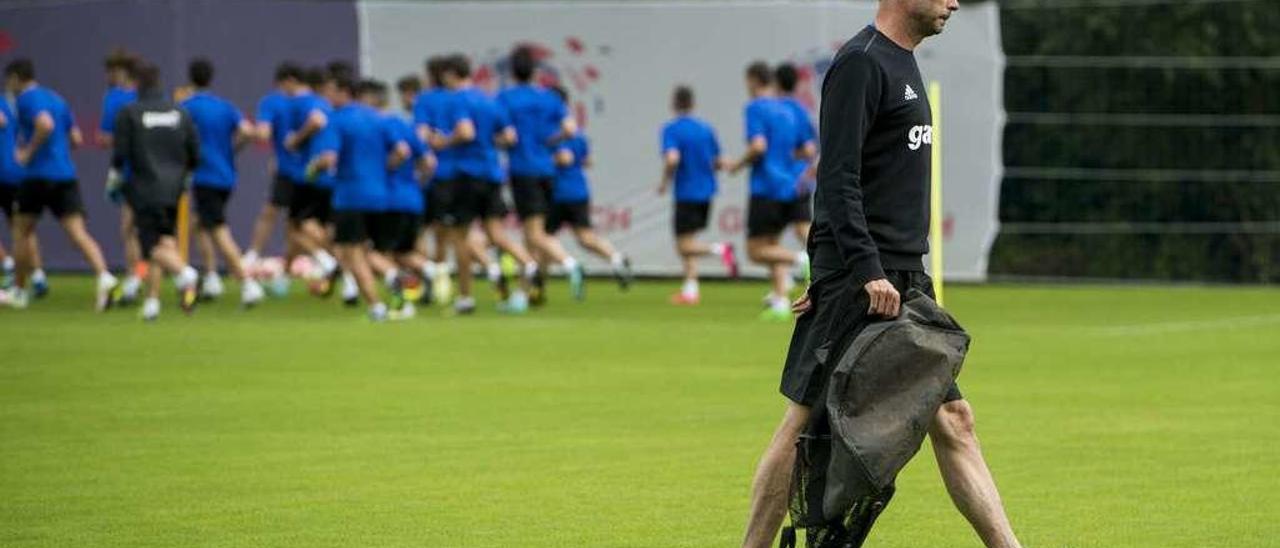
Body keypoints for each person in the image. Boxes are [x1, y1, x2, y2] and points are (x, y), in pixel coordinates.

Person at [741, 2, 1022, 547]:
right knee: (801, 426)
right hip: (864, 283)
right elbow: (837, 178)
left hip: (904, 280)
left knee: (955, 420)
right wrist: (851, 273)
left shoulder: (904, 63)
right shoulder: (861, 64)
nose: (954, 2)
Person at [4, 58, 118, 311]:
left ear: (15, 78)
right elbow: (76, 138)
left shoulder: (26, 99)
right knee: (78, 233)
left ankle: (19, 292)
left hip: (36, 176)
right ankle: (104, 276)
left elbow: (45, 124)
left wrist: (28, 153)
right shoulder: (58, 99)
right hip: (64, 175)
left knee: (21, 231)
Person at [429, 54, 537, 314]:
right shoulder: (490, 100)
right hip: (491, 173)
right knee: (496, 234)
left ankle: (465, 298)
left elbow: (466, 131)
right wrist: (487, 145)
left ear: (450, 75)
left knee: (460, 237)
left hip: (465, 174)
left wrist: (444, 141)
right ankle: (529, 263)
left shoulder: (458, 100)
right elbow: (510, 137)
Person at [309, 75, 409, 322]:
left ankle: (376, 307)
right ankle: (393, 274)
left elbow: (329, 158)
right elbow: (402, 151)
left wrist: (313, 168)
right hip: (380, 195)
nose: (326, 97)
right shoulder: (378, 118)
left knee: (353, 253)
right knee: (368, 250)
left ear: (344, 92)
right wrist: (383, 169)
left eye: (330, 91)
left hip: (350, 195)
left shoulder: (337, 120)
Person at [107, 63, 202, 321]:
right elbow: (194, 151)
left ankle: (186, 274)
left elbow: (120, 153)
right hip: (173, 190)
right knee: (165, 242)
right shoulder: (179, 112)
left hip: (145, 189)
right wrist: (183, 176)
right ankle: (152, 302)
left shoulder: (130, 113)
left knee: (149, 248)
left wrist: (114, 180)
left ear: (137, 84)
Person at [496, 45, 585, 302]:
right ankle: (528, 291)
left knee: (534, 233)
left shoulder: (506, 98)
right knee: (532, 233)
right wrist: (550, 141)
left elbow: (508, 136)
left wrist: (502, 143)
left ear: (512, 71)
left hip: (524, 170)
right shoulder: (550, 98)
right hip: (547, 170)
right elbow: (570, 129)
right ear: (535, 72)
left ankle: (569, 264)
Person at [728, 61, 809, 322]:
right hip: (789, 184)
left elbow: (759, 146)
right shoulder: (786, 111)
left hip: (766, 186)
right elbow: (805, 150)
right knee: (772, 243)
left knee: (755, 250)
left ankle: (801, 259)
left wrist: (737, 165)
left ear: (753, 80)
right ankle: (781, 301)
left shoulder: (755, 108)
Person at [180, 58, 265, 306]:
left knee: (217, 230)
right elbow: (249, 132)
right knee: (200, 224)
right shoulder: (225, 107)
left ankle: (247, 284)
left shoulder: (187, 107)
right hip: (225, 174)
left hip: (205, 175)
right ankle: (211, 276)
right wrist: (231, 150)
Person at [359, 79, 436, 312]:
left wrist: (385, 169)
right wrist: (416, 183)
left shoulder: (378, 125)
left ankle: (402, 292)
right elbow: (430, 162)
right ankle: (431, 271)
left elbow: (400, 152)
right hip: (412, 197)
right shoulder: (406, 125)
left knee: (369, 254)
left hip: (388, 200)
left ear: (369, 99)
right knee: (402, 252)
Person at [658, 85, 738, 305]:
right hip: (707, 191)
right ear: (692, 103)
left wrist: (664, 181)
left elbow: (672, 158)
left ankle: (721, 250)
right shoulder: (705, 129)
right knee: (689, 241)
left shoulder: (672, 129)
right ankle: (691, 290)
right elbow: (717, 160)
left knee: (682, 246)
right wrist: (733, 165)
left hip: (687, 192)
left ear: (674, 103)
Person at [544, 96, 632, 291]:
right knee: (585, 238)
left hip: (559, 192)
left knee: (542, 237)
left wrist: (543, 161)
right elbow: (588, 161)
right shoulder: (580, 135)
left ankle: (551, 277)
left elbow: (564, 159)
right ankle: (617, 259)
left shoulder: (555, 134)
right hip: (579, 190)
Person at [284, 66, 342, 295]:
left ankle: (325, 261)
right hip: (331, 176)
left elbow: (315, 122)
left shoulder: (311, 103)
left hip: (312, 172)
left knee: (295, 226)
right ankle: (342, 276)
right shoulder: (335, 109)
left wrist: (295, 140)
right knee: (325, 229)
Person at [245, 62, 305, 276]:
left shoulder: (272, 102)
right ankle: (291, 266)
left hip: (288, 169)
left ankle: (252, 256)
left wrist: (244, 131)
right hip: (313, 171)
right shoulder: (314, 102)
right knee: (297, 222)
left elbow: (263, 133)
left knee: (270, 213)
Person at [100, 49, 143, 303]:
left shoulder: (113, 98)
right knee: (149, 233)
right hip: (159, 173)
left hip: (130, 172)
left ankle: (136, 279)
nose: (108, 76)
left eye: (111, 71)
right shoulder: (146, 95)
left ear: (121, 72)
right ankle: (139, 278)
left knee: (129, 230)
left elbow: (106, 138)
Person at [773, 62, 819, 244]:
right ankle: (810, 265)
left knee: (768, 238)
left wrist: (789, 155)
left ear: (776, 83)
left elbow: (808, 150)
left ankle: (806, 263)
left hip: (783, 181)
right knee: (802, 228)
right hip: (799, 181)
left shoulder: (776, 110)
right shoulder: (802, 110)